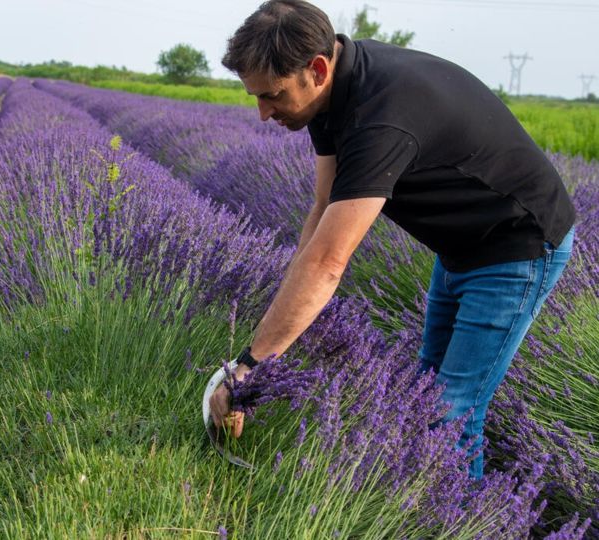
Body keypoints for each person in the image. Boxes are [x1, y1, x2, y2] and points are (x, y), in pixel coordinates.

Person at [209, 0, 575, 480]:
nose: (262, 112)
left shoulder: (380, 116)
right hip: (460, 246)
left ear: (316, 69)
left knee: (451, 414)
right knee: (424, 393)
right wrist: (277, 328)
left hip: (517, 246)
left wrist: (249, 368)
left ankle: (464, 523)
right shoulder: (328, 93)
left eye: (272, 96)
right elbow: (322, 211)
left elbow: (327, 263)